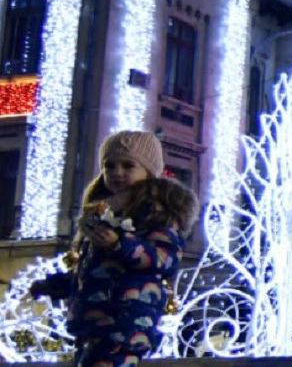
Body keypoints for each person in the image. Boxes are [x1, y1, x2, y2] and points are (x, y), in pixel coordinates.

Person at [31, 130, 198, 367]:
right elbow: (97, 271)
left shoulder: (156, 211)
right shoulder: (104, 213)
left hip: (126, 325)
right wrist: (58, 285)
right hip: (93, 327)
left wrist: (120, 244)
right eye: (109, 166)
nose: (117, 172)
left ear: (149, 171)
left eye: (128, 165)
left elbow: (165, 258)